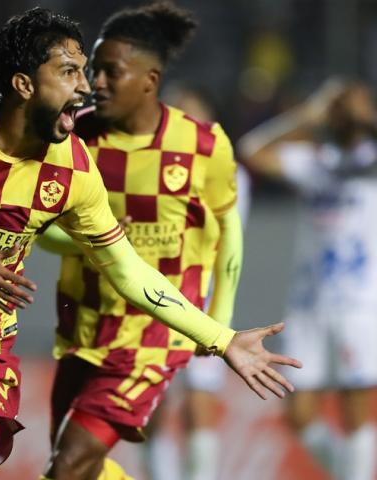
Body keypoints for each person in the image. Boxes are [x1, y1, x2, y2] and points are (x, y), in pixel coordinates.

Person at [0, 7, 299, 480]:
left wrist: (222, 339)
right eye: (69, 72)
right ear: (25, 84)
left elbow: (129, 272)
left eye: (84, 72)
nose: (85, 87)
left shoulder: (74, 168)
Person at [36, 4, 250, 479]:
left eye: (112, 72)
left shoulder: (203, 145)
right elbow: (41, 228)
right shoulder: (73, 137)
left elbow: (228, 229)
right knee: (76, 467)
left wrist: (221, 320)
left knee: (66, 466)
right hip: (84, 327)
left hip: (155, 337)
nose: (96, 83)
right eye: (94, 70)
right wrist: (94, 242)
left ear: (150, 80)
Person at [239, 78, 377, 480]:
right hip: (308, 303)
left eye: (353, 103)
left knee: (355, 406)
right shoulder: (317, 162)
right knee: (298, 412)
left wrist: (365, 118)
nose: (345, 110)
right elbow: (253, 151)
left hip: (361, 304)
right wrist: (307, 115)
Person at [142, 83, 253, 480]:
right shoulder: (146, 165)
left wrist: (219, 321)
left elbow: (226, 246)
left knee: (198, 400)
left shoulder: (229, 173)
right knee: (150, 403)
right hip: (151, 298)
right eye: (175, 112)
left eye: (191, 113)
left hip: (201, 299)